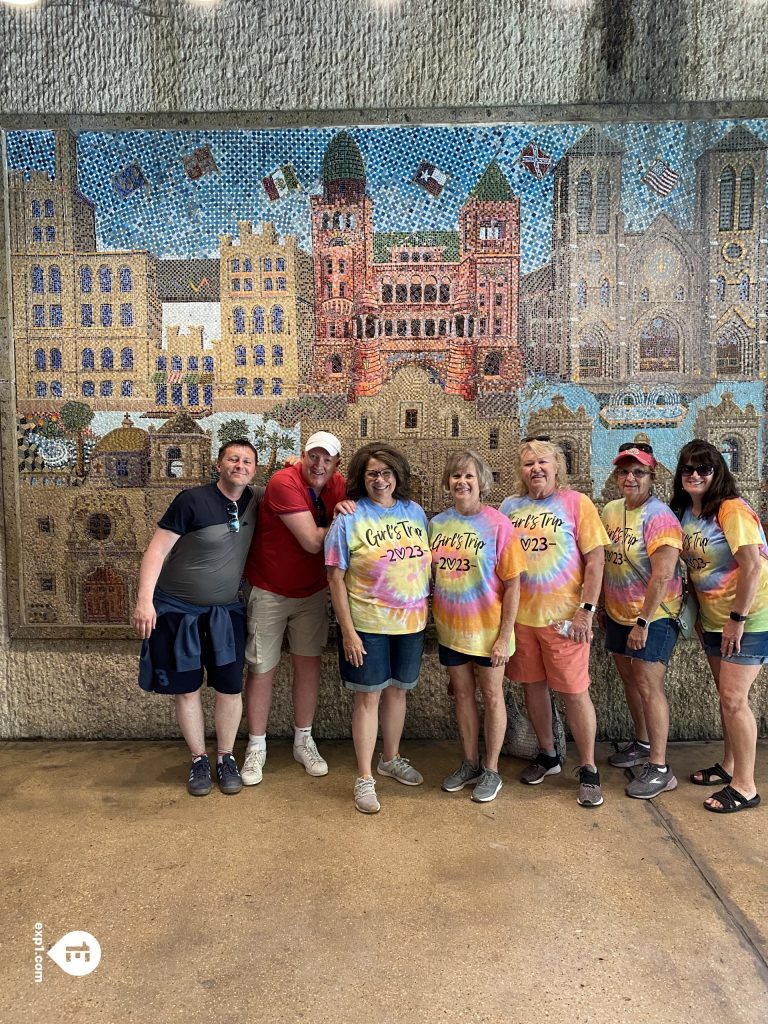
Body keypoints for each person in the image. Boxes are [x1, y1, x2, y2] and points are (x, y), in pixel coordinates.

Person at [132, 440, 261, 797]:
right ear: (219, 464)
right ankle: (198, 760)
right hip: (178, 612)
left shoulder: (255, 500)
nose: (240, 465)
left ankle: (226, 757)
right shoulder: (191, 500)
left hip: (225, 612)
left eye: (247, 461)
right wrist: (145, 602)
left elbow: (294, 491)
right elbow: (156, 551)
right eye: (233, 459)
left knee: (230, 687)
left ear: (255, 469)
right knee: (187, 688)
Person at [500, 436, 609, 808]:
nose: (536, 469)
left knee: (575, 691)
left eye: (543, 462)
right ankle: (547, 754)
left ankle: (589, 767)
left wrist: (587, 609)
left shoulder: (577, 504)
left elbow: (596, 560)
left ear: (557, 466)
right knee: (533, 686)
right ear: (521, 470)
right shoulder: (510, 507)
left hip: (565, 620)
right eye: (528, 463)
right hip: (521, 619)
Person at [325, 443, 431, 814]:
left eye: (386, 473)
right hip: (367, 624)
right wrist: (348, 631)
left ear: (397, 476)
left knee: (399, 693)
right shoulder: (349, 518)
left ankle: (391, 757)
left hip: (411, 623)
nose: (380, 480)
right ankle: (364, 777)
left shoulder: (415, 512)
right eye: (372, 473)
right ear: (361, 478)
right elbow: (335, 578)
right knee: (368, 697)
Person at [241, 431, 346, 786]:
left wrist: (350, 506)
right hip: (270, 589)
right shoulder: (283, 482)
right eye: (312, 456)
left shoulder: (338, 484)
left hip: (312, 591)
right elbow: (313, 542)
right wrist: (344, 518)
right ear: (302, 456)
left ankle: (304, 740)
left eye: (326, 459)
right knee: (261, 668)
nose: (318, 464)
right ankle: (256, 746)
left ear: (336, 463)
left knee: (308, 664)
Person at [671, 439, 766, 813]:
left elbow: (753, 565)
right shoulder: (689, 513)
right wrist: (698, 616)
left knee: (733, 700)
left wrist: (737, 620)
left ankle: (745, 786)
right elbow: (694, 568)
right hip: (715, 619)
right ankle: (729, 766)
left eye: (704, 469)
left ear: (718, 473)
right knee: (726, 700)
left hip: (749, 617)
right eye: (687, 469)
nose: (694, 475)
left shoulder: (731, 510)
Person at [429, 451, 525, 804]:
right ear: (447, 483)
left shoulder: (499, 525)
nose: (462, 482)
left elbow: (514, 583)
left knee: (492, 696)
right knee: (464, 697)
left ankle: (492, 769)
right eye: (455, 476)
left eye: (469, 476)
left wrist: (503, 636)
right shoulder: (437, 524)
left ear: (481, 481)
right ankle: (469, 762)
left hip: (489, 633)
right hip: (452, 630)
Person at [601, 438, 683, 798]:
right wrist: (604, 608)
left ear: (651, 476)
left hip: (653, 617)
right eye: (624, 471)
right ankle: (643, 742)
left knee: (650, 686)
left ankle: (661, 768)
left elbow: (663, 575)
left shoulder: (659, 516)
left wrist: (643, 621)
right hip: (618, 614)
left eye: (638, 472)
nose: (630, 478)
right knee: (631, 681)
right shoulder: (611, 510)